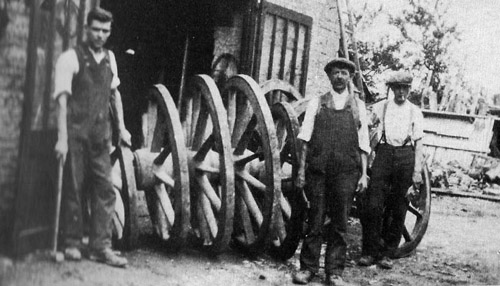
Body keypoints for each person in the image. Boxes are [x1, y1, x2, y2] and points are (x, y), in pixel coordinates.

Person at [54, 7, 131, 268]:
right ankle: (72, 242)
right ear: (86, 29)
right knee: (74, 188)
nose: (100, 35)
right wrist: (62, 138)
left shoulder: (111, 58)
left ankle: (100, 246)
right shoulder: (71, 58)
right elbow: (62, 101)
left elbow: (114, 95)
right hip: (76, 134)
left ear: (109, 32)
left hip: (101, 137)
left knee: (105, 190)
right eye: (95, 29)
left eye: (105, 31)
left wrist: (121, 127)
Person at [292, 58, 370, 286]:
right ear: (329, 77)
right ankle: (308, 269)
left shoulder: (358, 107)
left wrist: (364, 174)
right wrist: (301, 173)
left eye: (344, 73)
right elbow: (304, 140)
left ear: (350, 77)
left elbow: (364, 144)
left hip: (346, 174)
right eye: (335, 73)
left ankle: (334, 273)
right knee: (315, 221)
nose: (339, 77)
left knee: (340, 224)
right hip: (319, 173)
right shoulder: (318, 103)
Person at [359, 71, 424, 269]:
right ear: (391, 89)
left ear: (409, 90)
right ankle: (369, 251)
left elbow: (419, 143)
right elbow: (365, 123)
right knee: (373, 204)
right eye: (397, 88)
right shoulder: (382, 106)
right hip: (384, 154)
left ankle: (388, 253)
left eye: (405, 88)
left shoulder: (415, 112)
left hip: (406, 156)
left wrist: (417, 171)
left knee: (399, 207)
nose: (401, 92)